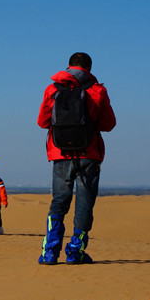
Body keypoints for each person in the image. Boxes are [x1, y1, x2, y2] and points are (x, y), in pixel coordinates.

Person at [37, 52, 115, 264]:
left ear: (68, 66)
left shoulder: (52, 89)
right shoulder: (97, 90)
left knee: (59, 202)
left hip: (60, 153)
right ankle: (75, 252)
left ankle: (49, 252)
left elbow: (42, 122)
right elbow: (108, 124)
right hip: (89, 155)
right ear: (89, 68)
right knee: (84, 204)